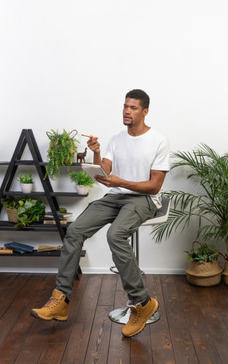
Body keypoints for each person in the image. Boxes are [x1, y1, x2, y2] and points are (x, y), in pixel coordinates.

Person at [31, 89, 170, 338]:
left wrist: (122, 182)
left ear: (145, 111)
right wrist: (96, 152)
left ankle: (142, 304)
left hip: (144, 199)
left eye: (133, 107)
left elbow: (155, 186)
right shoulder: (116, 139)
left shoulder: (158, 141)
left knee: (115, 235)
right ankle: (60, 301)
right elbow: (105, 171)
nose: (127, 111)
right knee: (74, 231)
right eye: (125, 106)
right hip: (115, 197)